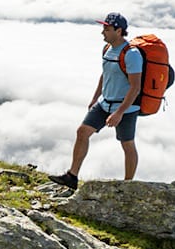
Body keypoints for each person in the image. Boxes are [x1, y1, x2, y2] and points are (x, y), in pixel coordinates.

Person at [50, 12, 141, 190]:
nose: (102, 32)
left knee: (127, 144)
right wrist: (95, 97)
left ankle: (128, 186)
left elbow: (135, 87)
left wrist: (120, 112)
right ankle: (72, 176)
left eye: (106, 29)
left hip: (126, 107)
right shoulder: (107, 49)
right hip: (105, 103)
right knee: (82, 132)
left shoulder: (132, 54)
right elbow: (105, 74)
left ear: (119, 30)